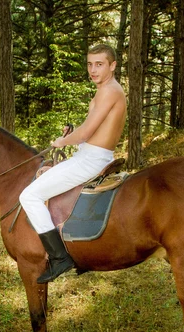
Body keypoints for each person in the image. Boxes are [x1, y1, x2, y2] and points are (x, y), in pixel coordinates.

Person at [19, 43, 127, 284]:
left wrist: (62, 141)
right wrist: (71, 133)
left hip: (91, 159)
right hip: (89, 154)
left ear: (113, 65)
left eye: (99, 64)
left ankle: (59, 256)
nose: (93, 69)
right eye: (90, 64)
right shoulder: (107, 90)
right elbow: (92, 129)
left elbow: (87, 132)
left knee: (28, 196)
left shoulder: (109, 91)